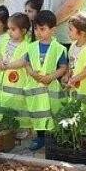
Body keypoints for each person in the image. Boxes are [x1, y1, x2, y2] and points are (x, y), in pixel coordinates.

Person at [18, 10, 68, 150]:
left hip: (51, 88)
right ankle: (40, 138)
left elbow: (63, 67)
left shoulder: (59, 48)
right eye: (36, 29)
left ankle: (53, 138)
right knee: (38, 114)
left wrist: (49, 78)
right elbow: (26, 63)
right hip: (35, 88)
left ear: (53, 30)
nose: (38, 32)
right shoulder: (31, 46)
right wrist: (33, 74)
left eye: (42, 29)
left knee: (52, 112)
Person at [0, 12, 32, 127]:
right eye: (8, 28)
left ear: (24, 31)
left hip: (17, 85)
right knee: (2, 103)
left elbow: (23, 61)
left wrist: (7, 66)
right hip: (2, 83)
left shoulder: (27, 45)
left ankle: (22, 127)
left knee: (17, 105)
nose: (9, 32)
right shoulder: (4, 40)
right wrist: (0, 62)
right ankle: (2, 124)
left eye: (13, 29)